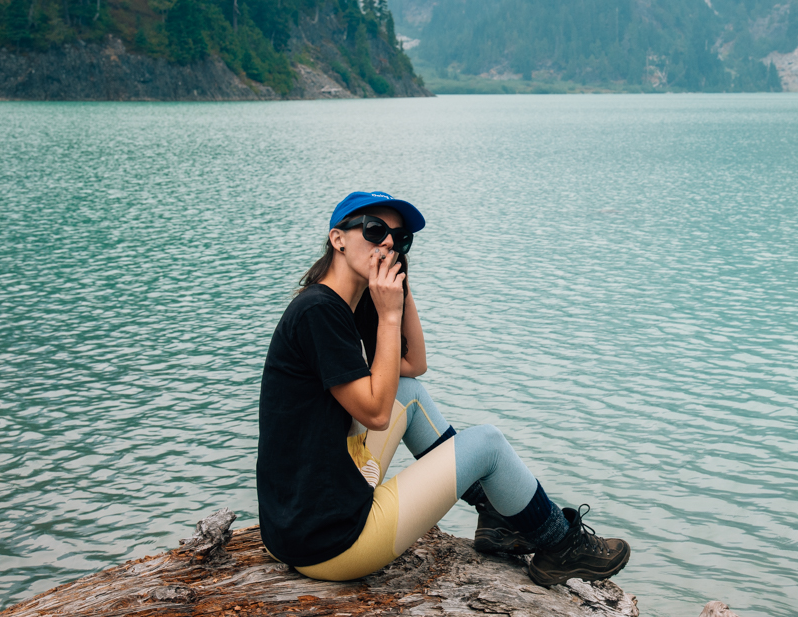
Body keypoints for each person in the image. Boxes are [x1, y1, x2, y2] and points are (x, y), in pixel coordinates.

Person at [256, 190, 630, 586]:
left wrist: (398, 290)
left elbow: (413, 365)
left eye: (400, 240)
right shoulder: (319, 311)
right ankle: (560, 546)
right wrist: (387, 316)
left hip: (297, 523)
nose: (388, 243)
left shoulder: (346, 303)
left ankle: (497, 515)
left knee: (409, 392)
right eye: (375, 230)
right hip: (331, 542)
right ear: (338, 238)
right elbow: (377, 414)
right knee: (487, 443)